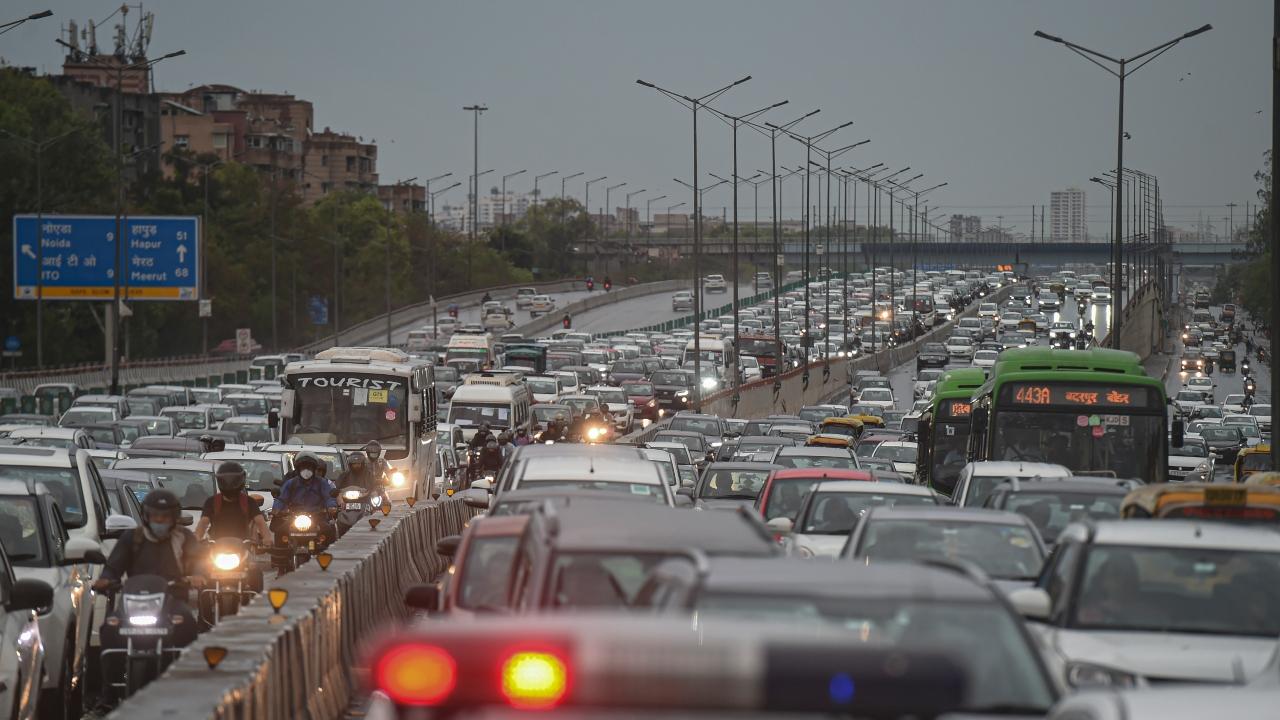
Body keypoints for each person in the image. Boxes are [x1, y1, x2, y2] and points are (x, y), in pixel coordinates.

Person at [94, 489, 200, 594]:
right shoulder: (132, 536)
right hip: (135, 599)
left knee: (184, 612)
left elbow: (199, 560)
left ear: (175, 517)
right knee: (116, 612)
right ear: (146, 516)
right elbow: (113, 567)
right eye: (154, 515)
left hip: (175, 600)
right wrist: (105, 579)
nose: (159, 520)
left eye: (165, 516)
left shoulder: (184, 536)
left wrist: (198, 575)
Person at [196, 462, 271, 546]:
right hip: (216, 549)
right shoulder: (212, 502)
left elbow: (260, 522)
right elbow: (203, 523)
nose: (229, 484)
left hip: (244, 548)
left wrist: (267, 538)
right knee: (202, 558)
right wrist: (197, 539)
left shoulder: (249, 502)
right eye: (226, 480)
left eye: (233, 481)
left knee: (252, 558)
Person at [271, 452, 338, 539]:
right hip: (294, 517)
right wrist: (276, 509)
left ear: (314, 469)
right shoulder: (291, 483)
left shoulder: (322, 483)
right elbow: (281, 499)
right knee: (280, 531)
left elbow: (329, 497)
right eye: (303, 467)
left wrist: (331, 507)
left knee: (328, 530)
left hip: (317, 517)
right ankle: (282, 552)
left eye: (309, 467)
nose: (306, 470)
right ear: (298, 469)